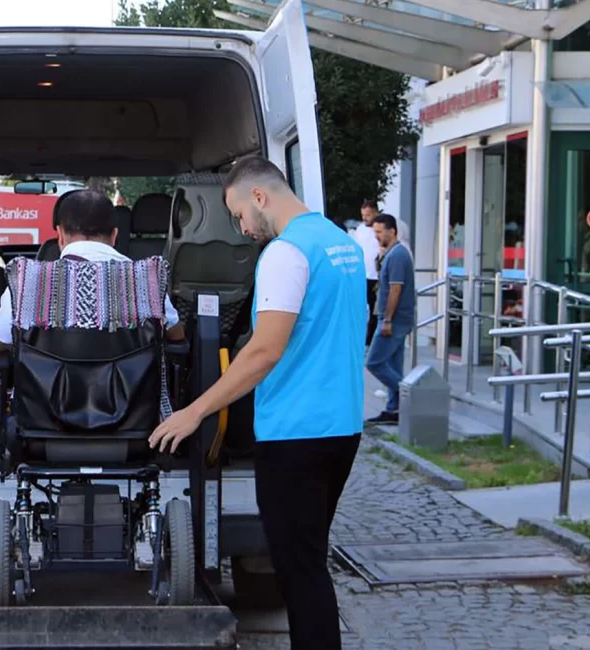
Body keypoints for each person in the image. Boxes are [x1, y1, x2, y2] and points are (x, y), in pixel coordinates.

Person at [148, 156, 366, 650]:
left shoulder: (286, 254)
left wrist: (195, 410)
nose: (243, 228)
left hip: (296, 432)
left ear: (260, 197)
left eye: (240, 214)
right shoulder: (341, 244)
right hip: (342, 426)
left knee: (300, 572)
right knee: (309, 562)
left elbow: (264, 350)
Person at [0, 189, 184, 352]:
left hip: (46, 401)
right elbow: (176, 335)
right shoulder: (144, 281)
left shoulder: (27, 283)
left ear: (60, 235)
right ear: (115, 235)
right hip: (131, 400)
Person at [365, 213, 416, 425]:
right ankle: (394, 409)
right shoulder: (392, 253)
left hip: (393, 320)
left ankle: (412, 396)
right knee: (394, 366)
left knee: (374, 362)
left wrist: (386, 320)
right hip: (395, 319)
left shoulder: (397, 255)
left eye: (379, 232)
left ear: (392, 231)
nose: (376, 236)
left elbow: (396, 288)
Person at [352, 199, 381, 346]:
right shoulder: (360, 230)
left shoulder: (382, 228)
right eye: (363, 215)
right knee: (361, 308)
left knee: (376, 308)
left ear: (376, 212)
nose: (365, 218)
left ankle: (370, 341)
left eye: (368, 214)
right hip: (362, 275)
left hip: (377, 277)